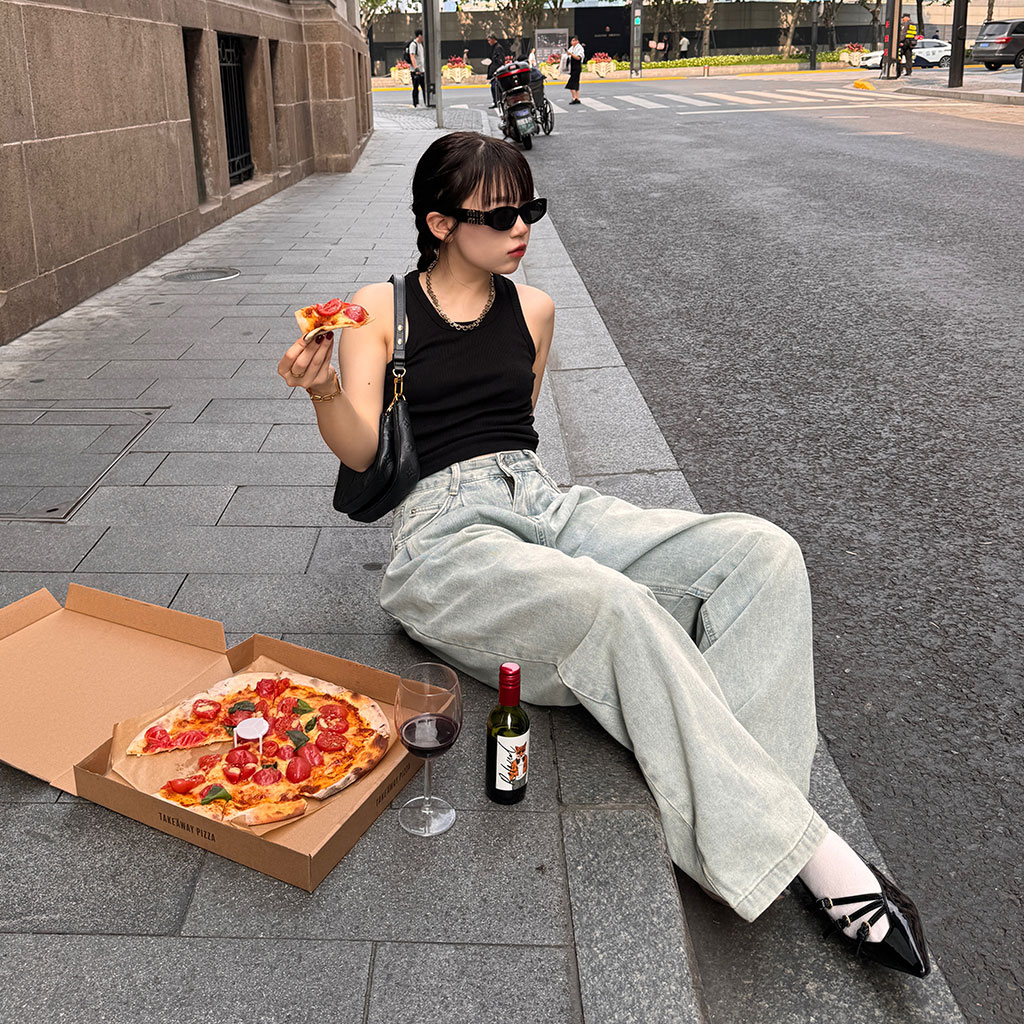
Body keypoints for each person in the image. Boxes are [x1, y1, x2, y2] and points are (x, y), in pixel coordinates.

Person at [276, 131, 931, 980]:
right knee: (611, 605)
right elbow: (365, 452)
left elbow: (516, 430)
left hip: (543, 501)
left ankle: (756, 821)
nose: (521, 227)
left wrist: (536, 508)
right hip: (442, 535)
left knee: (763, 553)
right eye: (499, 215)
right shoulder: (380, 309)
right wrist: (326, 390)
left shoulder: (535, 310)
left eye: (530, 208)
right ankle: (817, 860)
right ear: (440, 223)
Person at [486, 34, 506, 108]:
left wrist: (497, 69)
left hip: (497, 71)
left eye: (489, 40)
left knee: (495, 87)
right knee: (494, 87)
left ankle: (498, 101)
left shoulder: (498, 48)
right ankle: (496, 101)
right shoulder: (494, 48)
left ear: (493, 39)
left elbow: (500, 60)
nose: (488, 42)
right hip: (494, 71)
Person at [565, 36, 584, 104]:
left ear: (577, 41)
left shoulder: (579, 48)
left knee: (572, 83)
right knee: (576, 83)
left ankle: (574, 98)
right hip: (572, 67)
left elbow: (578, 58)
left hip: (577, 66)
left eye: (573, 41)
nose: (572, 42)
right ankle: (577, 98)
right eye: (571, 41)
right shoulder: (572, 48)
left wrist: (571, 54)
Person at [409, 29, 425, 107]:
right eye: (423, 36)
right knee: (416, 87)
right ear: (419, 36)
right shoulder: (413, 44)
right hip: (415, 70)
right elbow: (412, 56)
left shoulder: (421, 44)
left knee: (424, 87)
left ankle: (426, 102)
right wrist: (416, 68)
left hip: (422, 70)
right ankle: (416, 103)